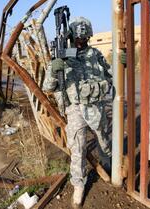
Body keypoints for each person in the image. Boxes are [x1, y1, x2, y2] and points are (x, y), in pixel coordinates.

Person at [43, 17, 112, 208]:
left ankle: (109, 165)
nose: (80, 42)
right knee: (78, 149)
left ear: (89, 36)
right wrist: (53, 69)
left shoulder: (95, 54)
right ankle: (79, 186)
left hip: (96, 107)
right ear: (71, 36)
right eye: (77, 38)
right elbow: (47, 87)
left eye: (84, 38)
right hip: (74, 109)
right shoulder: (62, 56)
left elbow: (111, 76)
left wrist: (122, 63)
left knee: (104, 140)